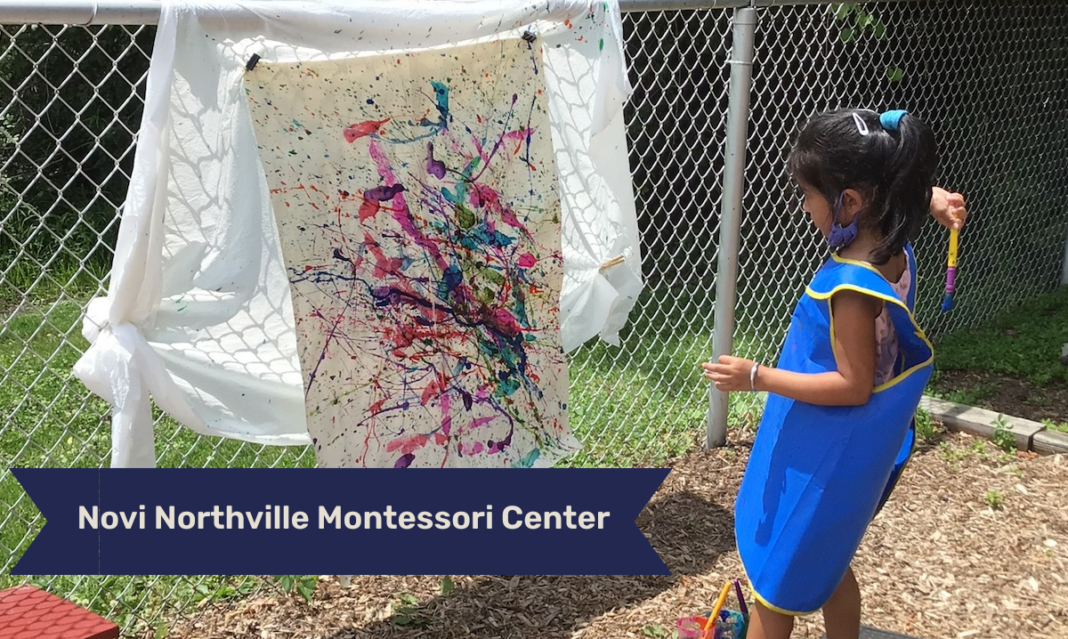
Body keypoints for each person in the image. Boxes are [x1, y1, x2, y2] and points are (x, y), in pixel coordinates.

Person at [701, 108, 964, 639]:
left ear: (851, 200)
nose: (804, 207)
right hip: (857, 453)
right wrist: (929, 197)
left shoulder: (851, 286)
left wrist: (757, 376)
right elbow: (899, 193)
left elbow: (852, 385)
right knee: (826, 560)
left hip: (826, 450)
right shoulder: (893, 244)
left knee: (775, 591)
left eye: (808, 195)